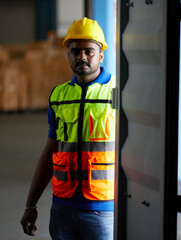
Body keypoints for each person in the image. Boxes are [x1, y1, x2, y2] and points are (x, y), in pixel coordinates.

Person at [20, 17, 116, 240]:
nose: (81, 56)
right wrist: (30, 205)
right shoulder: (59, 96)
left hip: (103, 209)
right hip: (62, 208)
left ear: (100, 54)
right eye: (75, 51)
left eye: (88, 51)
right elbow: (50, 152)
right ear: (68, 55)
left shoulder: (118, 93)